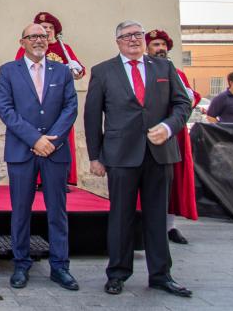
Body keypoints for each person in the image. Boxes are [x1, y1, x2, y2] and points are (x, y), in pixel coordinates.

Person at [84, 20, 192, 298]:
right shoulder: (103, 71)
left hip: (159, 154)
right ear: (117, 41)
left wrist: (169, 127)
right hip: (121, 155)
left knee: (157, 217)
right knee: (121, 216)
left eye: (138, 35)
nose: (133, 39)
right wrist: (95, 156)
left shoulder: (164, 68)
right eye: (127, 36)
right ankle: (118, 273)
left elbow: (182, 103)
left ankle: (160, 275)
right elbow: (93, 117)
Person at [0, 23, 79, 291]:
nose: (38, 41)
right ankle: (21, 263)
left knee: (58, 210)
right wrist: (35, 139)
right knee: (21, 210)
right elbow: (6, 110)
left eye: (42, 36)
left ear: (48, 40)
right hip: (22, 151)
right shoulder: (9, 70)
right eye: (32, 37)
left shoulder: (62, 70)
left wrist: (51, 140)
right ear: (22, 42)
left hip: (55, 150)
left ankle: (60, 266)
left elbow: (70, 107)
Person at [14, 12, 83, 189]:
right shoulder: (27, 49)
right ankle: (36, 180)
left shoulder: (63, 48)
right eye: (43, 28)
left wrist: (76, 69)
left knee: (61, 138)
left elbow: (79, 69)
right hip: (34, 104)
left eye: (49, 29)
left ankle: (62, 178)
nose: (46, 31)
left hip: (57, 105)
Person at [145, 29, 199, 244]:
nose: (161, 49)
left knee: (174, 182)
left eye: (163, 45)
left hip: (173, 133)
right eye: (156, 45)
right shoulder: (142, 72)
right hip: (150, 132)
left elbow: (188, 100)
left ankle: (170, 226)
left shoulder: (176, 73)